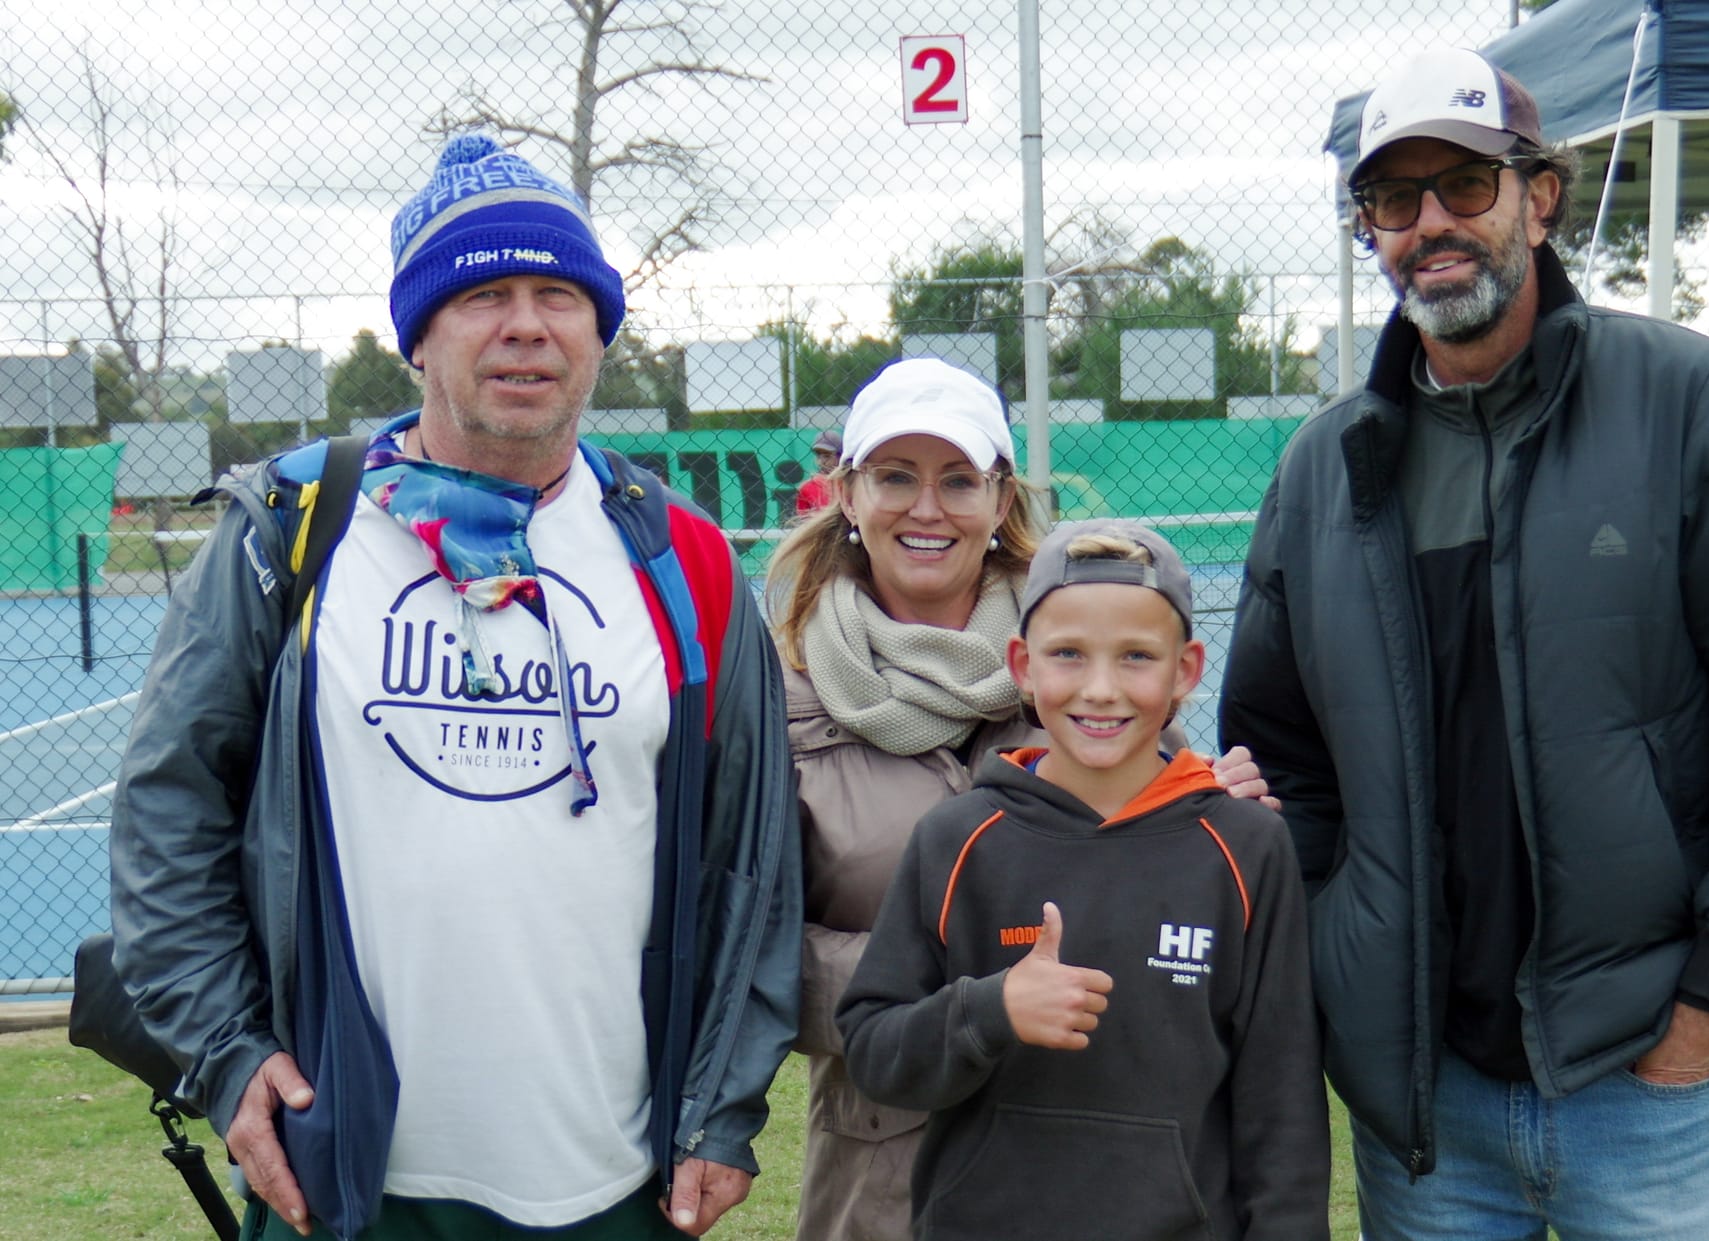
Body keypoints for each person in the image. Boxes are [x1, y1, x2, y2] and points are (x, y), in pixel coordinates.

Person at [108, 133, 799, 1241]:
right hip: (343, 1170)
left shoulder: (687, 561)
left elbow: (752, 868)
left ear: (596, 334)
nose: (525, 323)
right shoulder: (292, 533)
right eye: (481, 293)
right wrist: (227, 1047)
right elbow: (167, 808)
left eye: (558, 295)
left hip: (614, 1178)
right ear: (418, 336)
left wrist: (719, 1111)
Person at [1221, 47, 1709, 1240]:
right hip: (1422, 1107)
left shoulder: (1687, 399)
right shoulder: (1321, 468)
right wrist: (1343, 970)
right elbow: (1276, 750)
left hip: (1646, 1079)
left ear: (1539, 194)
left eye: (1462, 185)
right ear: (1367, 230)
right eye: (1391, 200)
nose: (1428, 225)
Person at [763, 357, 1275, 1241]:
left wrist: (1220, 812)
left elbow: (1175, 872)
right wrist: (962, 988)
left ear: (1000, 501)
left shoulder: (1085, 656)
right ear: (847, 493)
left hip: (1090, 1153)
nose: (927, 508)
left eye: (958, 479)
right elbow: (753, 953)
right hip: (884, 1162)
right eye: (895, 476)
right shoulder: (778, 692)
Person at [836, 518, 1330, 1241]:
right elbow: (875, 1052)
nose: (1101, 689)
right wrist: (991, 1008)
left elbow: (1281, 1101)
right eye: (1068, 654)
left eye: (1136, 656)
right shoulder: (958, 837)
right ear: (1023, 664)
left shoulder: (1246, 846)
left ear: (1186, 669)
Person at [794, 427, 842, 516]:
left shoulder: (850, 484)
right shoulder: (807, 487)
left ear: (840, 456)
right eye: (818, 455)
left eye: (827, 456)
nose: (821, 462)